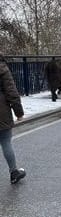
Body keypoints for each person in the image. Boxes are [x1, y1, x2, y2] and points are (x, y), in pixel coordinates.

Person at [0, 54, 26, 184]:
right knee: (5, 142)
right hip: (1, 111)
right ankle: (14, 172)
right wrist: (19, 112)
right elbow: (11, 92)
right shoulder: (2, 68)